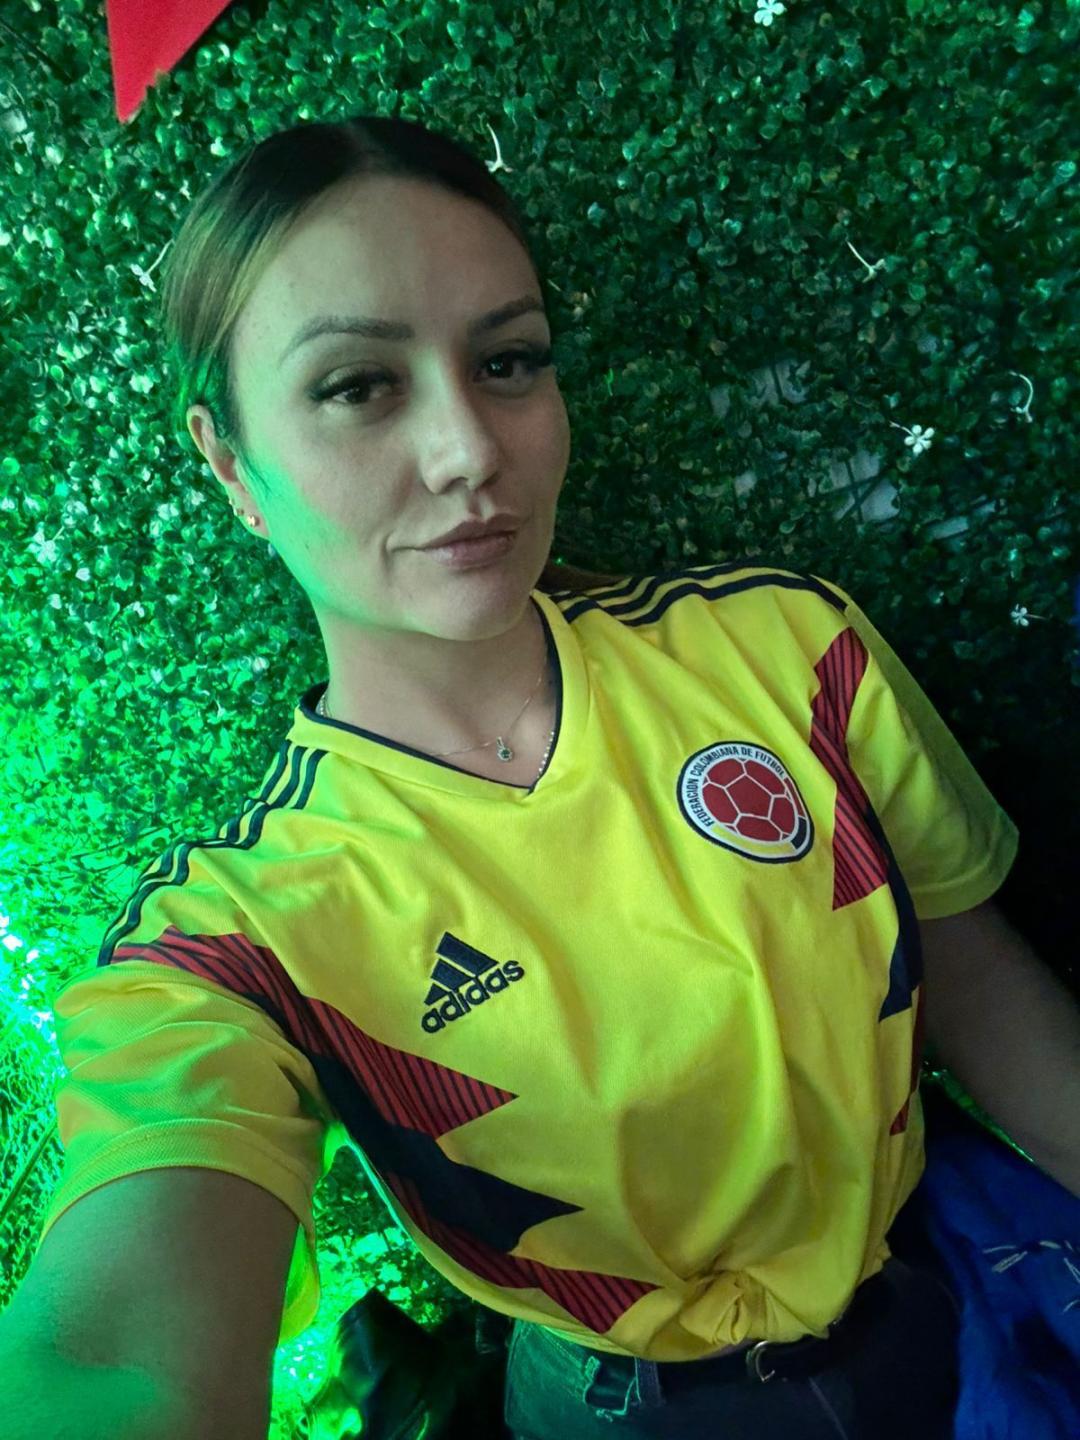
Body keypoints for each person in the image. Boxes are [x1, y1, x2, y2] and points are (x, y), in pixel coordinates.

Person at [31, 115, 1018, 1438]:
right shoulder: (239, 939)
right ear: (231, 464)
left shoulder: (785, 655)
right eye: (358, 387)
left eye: (508, 362)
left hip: (932, 1316)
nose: (468, 452)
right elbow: (115, 1352)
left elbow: (987, 1001)